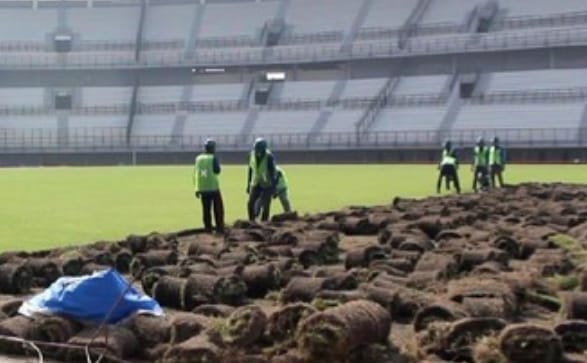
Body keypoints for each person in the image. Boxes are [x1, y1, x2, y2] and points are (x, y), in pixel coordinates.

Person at [193, 139, 224, 233]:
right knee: (218, 208)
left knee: (206, 210)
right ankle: (219, 228)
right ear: (213, 148)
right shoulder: (213, 158)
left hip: (202, 188)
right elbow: (217, 171)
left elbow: (195, 173)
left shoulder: (198, 159)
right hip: (213, 187)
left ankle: (208, 229)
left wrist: (196, 189)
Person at [246, 137, 276, 222]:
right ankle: (251, 221)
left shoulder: (269, 156)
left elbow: (273, 172)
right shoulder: (251, 155)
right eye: (256, 150)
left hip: (267, 183)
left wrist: (274, 188)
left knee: (266, 205)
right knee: (250, 203)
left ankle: (265, 223)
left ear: (263, 149)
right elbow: (250, 170)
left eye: (259, 150)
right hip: (255, 182)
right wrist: (248, 184)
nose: (257, 152)